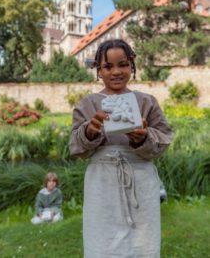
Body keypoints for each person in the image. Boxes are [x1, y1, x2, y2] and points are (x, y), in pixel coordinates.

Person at [69, 39, 172, 258]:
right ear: (98, 69)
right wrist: (90, 131)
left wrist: (141, 139)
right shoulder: (87, 105)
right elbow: (76, 148)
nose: (116, 72)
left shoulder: (147, 102)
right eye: (108, 66)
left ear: (132, 65)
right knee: (102, 244)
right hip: (102, 184)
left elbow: (163, 139)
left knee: (142, 244)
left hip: (140, 181)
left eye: (123, 64)